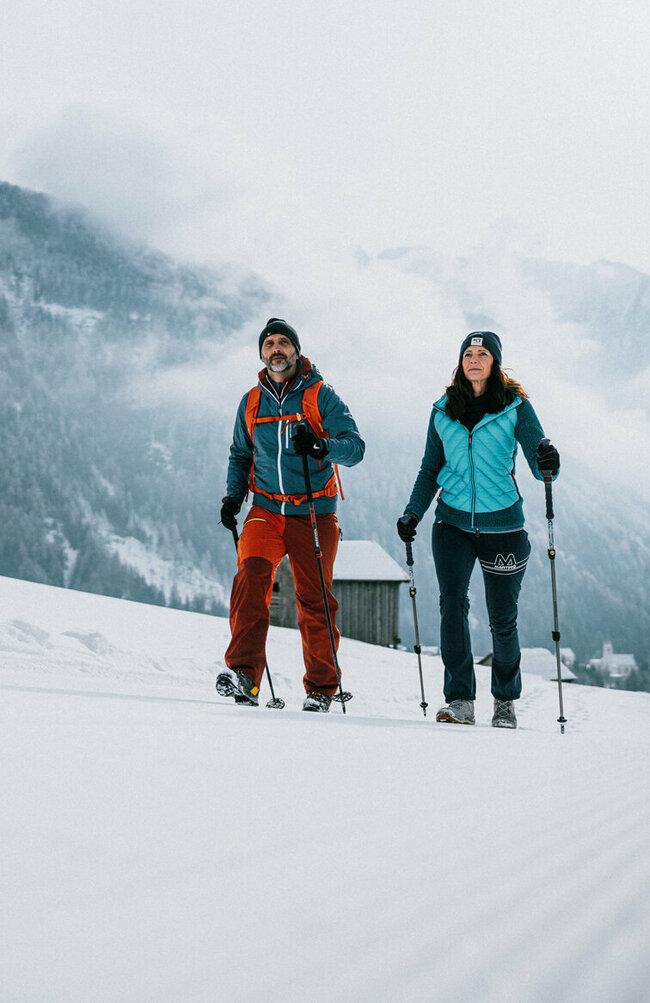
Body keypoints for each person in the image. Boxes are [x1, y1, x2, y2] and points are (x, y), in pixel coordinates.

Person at [397, 331, 559, 729]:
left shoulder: (515, 408)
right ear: (460, 362)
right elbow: (430, 469)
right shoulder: (442, 411)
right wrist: (413, 513)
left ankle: (504, 702)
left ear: (494, 363)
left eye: (482, 353)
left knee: (502, 619)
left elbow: (541, 466)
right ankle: (460, 700)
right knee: (452, 606)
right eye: (468, 353)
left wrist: (550, 461)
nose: (474, 359)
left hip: (503, 525)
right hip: (450, 523)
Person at [217, 318, 365, 712]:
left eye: (284, 343)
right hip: (265, 508)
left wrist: (321, 446)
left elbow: (355, 448)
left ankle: (321, 688)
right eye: (270, 344)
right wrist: (234, 498)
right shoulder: (251, 401)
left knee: (313, 598)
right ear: (261, 353)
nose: (277, 349)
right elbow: (240, 454)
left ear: (296, 351)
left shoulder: (321, 396)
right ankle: (245, 676)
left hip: (313, 511)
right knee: (250, 581)